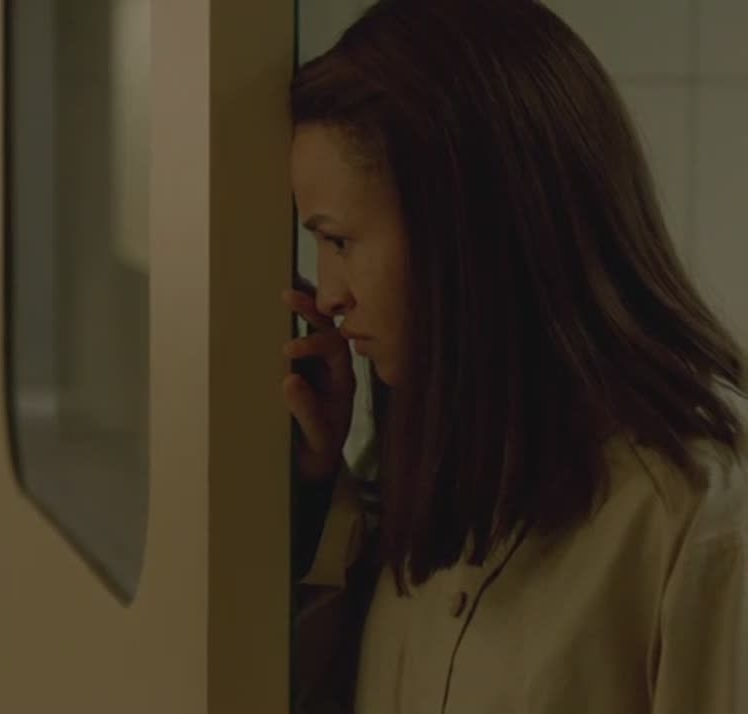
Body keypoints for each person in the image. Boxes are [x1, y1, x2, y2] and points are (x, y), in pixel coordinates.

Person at [282, 2, 746, 713]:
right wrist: (314, 487)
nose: (329, 294)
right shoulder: (432, 476)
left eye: (339, 240)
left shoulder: (693, 519)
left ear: (466, 229)